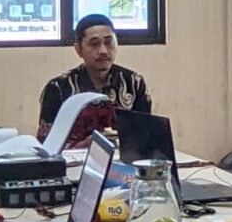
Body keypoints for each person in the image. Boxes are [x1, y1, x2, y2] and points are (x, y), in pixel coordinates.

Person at [38, 14, 151, 145]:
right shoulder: (58, 87)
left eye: (109, 43)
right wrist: (87, 145)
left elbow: (145, 136)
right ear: (78, 50)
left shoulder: (133, 83)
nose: (103, 51)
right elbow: (45, 146)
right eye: (94, 44)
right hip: (74, 163)